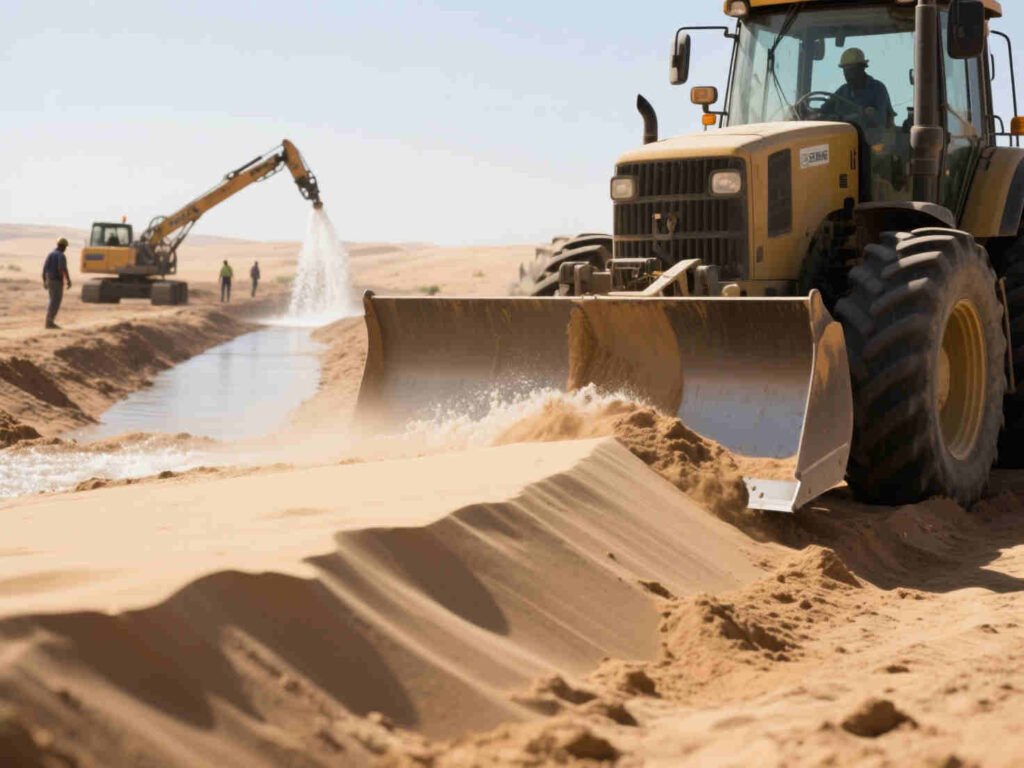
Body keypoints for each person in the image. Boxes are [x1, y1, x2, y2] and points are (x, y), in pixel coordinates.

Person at [821, 48, 896, 145]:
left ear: (862, 68)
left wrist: (864, 115)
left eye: (852, 70)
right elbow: (824, 111)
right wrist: (815, 114)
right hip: (845, 142)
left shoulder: (877, 89)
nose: (849, 75)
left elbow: (880, 120)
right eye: (846, 71)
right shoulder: (842, 91)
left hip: (871, 145)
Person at [42, 237, 72, 329]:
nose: (65, 249)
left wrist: (44, 281)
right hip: (56, 281)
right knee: (55, 301)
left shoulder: (50, 254)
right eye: (65, 247)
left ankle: (49, 321)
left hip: (49, 279)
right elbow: (62, 268)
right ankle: (49, 322)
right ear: (63, 246)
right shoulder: (61, 255)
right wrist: (68, 280)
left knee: (52, 300)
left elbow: (44, 269)